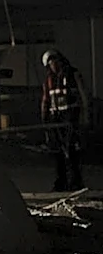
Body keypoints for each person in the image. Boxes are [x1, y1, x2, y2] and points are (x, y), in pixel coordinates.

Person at [40, 49, 90, 191]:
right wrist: (45, 120)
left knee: (71, 150)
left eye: (55, 62)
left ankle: (76, 181)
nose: (54, 65)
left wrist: (85, 117)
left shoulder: (73, 75)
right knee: (58, 152)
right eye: (50, 64)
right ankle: (61, 182)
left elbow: (84, 96)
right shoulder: (48, 81)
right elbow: (45, 100)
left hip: (71, 118)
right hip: (56, 120)